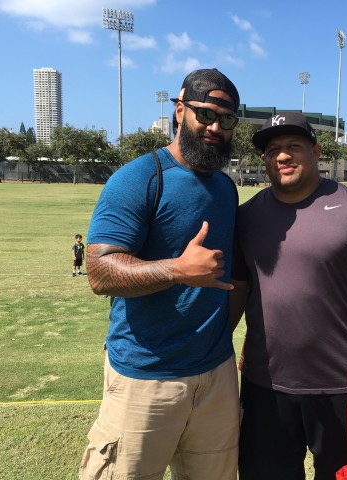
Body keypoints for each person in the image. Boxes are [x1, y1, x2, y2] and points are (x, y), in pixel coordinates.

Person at [79, 68, 241, 480]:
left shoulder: (226, 187)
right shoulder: (138, 178)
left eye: (227, 120)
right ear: (179, 110)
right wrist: (177, 270)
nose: (215, 128)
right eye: (205, 115)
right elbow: (98, 271)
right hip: (145, 377)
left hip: (216, 377)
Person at [230, 112, 347, 480]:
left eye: (294, 146)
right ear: (264, 160)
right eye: (273, 150)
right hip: (266, 385)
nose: (282, 156)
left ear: (316, 150)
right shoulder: (246, 217)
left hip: (343, 383)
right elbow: (238, 289)